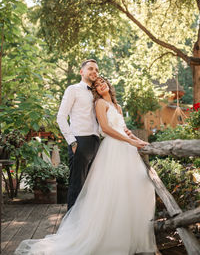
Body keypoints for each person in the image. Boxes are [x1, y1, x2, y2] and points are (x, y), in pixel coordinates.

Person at [15, 76, 156, 255]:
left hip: (126, 150)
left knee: (133, 187)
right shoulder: (99, 104)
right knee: (112, 191)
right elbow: (105, 129)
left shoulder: (117, 107)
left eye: (103, 82)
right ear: (95, 90)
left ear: (108, 85)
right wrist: (130, 141)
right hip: (112, 149)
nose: (101, 85)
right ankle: (111, 238)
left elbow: (125, 129)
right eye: (97, 85)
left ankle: (128, 234)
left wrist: (138, 141)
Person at [57, 59, 100, 210]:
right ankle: (71, 227)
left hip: (96, 142)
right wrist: (72, 142)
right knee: (77, 187)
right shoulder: (73, 89)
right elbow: (61, 117)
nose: (94, 72)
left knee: (91, 187)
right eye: (90, 69)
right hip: (79, 142)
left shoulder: (98, 93)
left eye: (96, 70)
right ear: (82, 72)